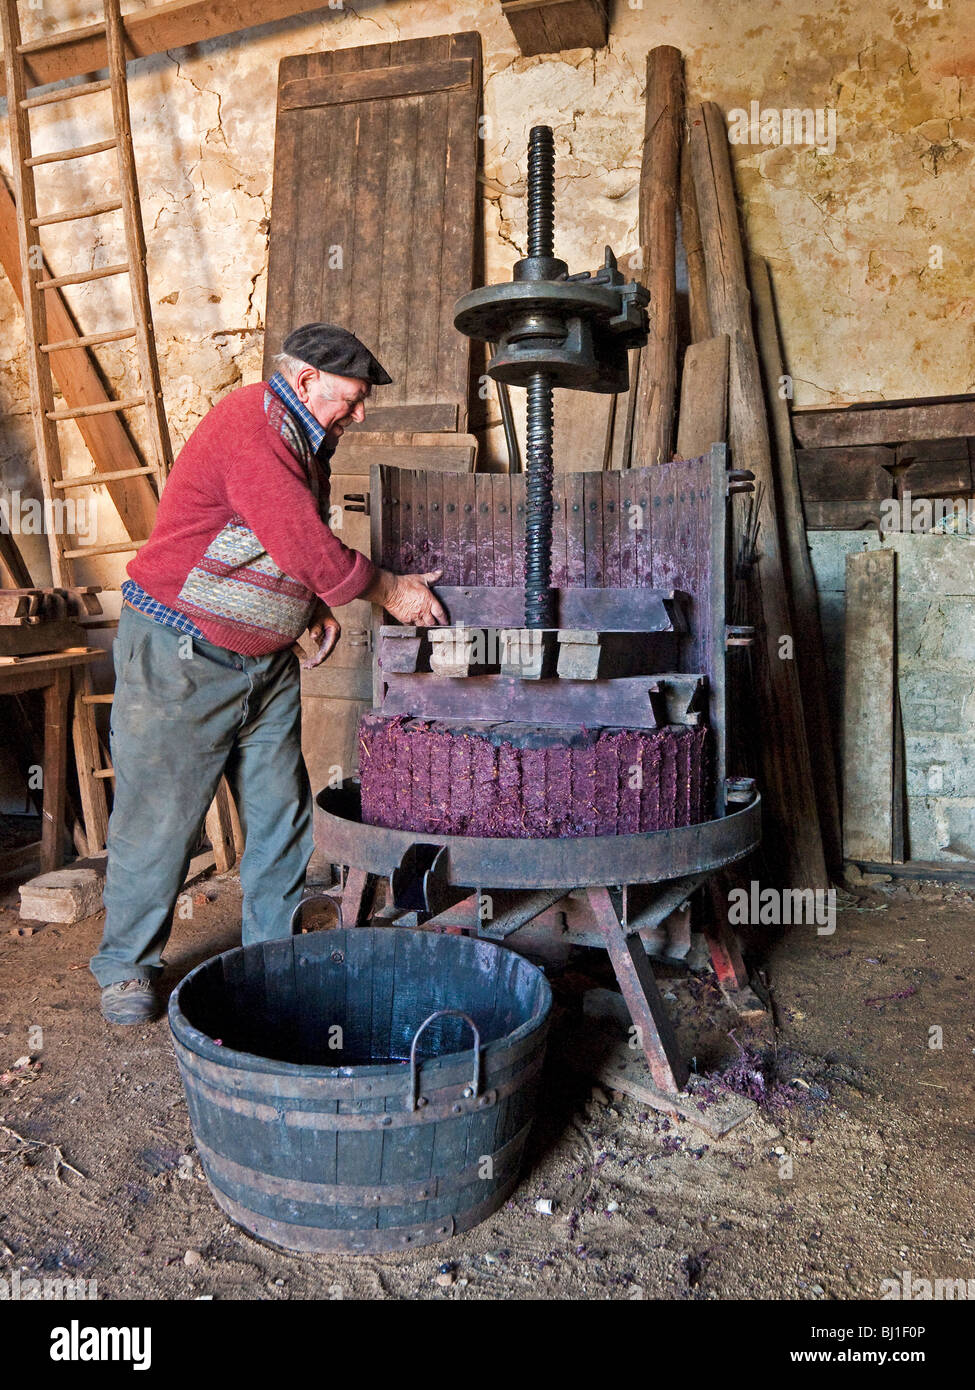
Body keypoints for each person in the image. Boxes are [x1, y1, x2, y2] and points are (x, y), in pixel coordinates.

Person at [91, 322, 447, 1024]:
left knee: (280, 816)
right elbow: (299, 540)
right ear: (306, 379)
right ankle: (125, 968)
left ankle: (270, 955)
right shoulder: (253, 426)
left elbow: (271, 548)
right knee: (160, 820)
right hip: (182, 652)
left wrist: (305, 609)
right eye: (352, 397)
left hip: (263, 666)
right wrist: (391, 590)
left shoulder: (305, 437)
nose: (361, 411)